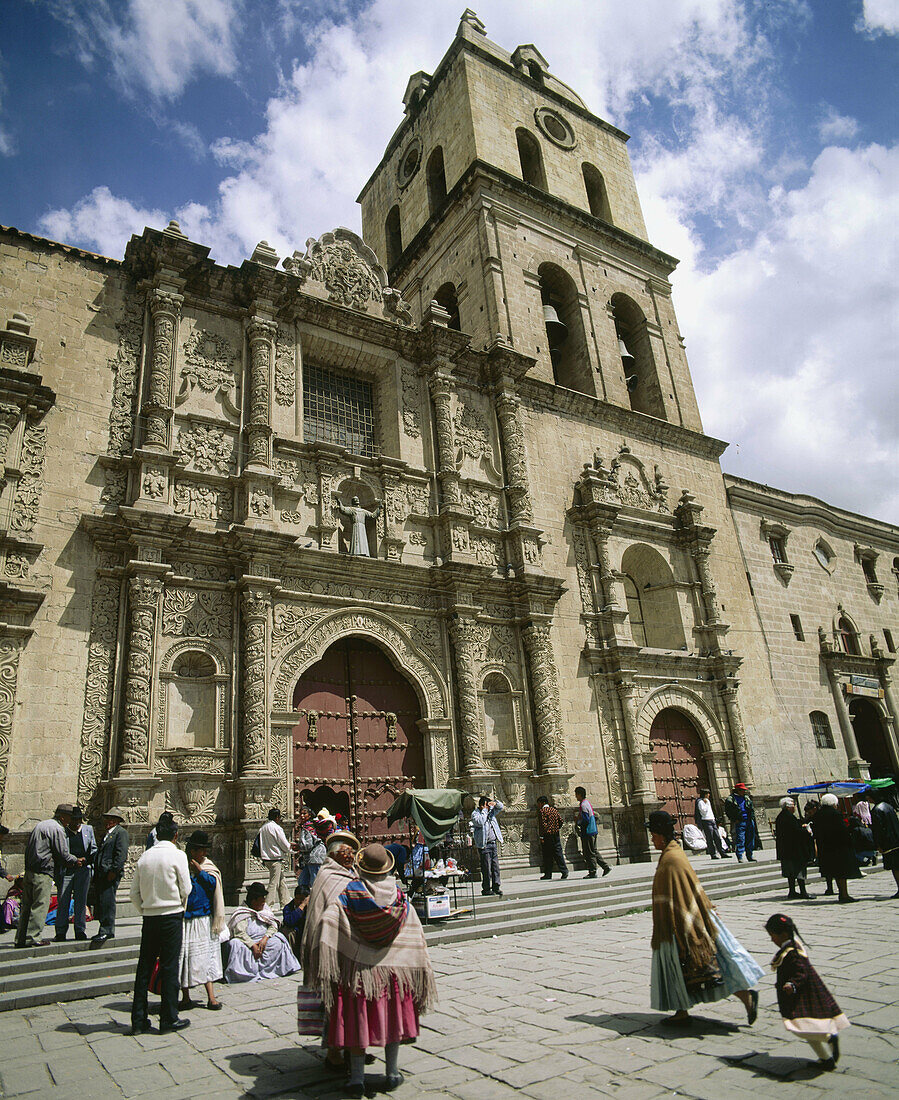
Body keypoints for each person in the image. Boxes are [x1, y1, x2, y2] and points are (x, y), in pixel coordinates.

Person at [309, 843, 437, 1097]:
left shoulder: (349, 896)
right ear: (386, 869)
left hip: (359, 974)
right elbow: (415, 934)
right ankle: (392, 1073)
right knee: (392, 1022)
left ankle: (356, 1079)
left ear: (362, 867)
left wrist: (335, 954)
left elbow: (328, 923)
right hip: (392, 974)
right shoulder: (400, 898)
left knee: (357, 1023)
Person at [648, 809, 763, 1027]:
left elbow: (684, 892)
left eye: (653, 835)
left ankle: (747, 997)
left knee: (713, 966)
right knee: (682, 966)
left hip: (686, 923)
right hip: (684, 920)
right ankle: (681, 1011)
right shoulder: (672, 853)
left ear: (661, 835)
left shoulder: (672, 858)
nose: (652, 840)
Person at [300, 830, 361, 1073]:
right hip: (332, 947)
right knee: (334, 1002)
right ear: (334, 854)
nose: (351, 857)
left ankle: (353, 1046)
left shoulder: (350, 873)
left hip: (351, 948)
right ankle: (335, 1050)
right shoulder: (327, 876)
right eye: (347, 853)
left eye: (353, 853)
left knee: (352, 1001)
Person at [129, 816, 191, 1035]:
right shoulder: (178, 855)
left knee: (144, 966)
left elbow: (133, 893)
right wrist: (177, 905)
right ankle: (168, 1018)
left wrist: (146, 909)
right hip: (171, 916)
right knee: (169, 966)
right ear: (175, 835)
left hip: (150, 917)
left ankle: (138, 1020)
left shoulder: (145, 857)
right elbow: (187, 887)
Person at [766, 913, 849, 1069]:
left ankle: (829, 1038)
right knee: (805, 1028)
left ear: (782, 934)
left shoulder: (792, 953)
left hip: (802, 996)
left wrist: (792, 984)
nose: (772, 940)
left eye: (772, 936)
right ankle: (825, 1059)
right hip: (799, 994)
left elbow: (801, 972)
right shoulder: (792, 946)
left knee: (802, 1027)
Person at [15, 804, 84, 948]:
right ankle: (33, 937)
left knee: (27, 905)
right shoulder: (57, 828)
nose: (70, 821)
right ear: (63, 817)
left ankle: (21, 938)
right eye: (69, 818)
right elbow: (62, 853)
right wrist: (75, 860)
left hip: (30, 871)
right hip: (43, 872)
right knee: (40, 905)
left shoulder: (41, 825)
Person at [178, 830, 224, 1012]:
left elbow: (214, 885)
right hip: (187, 917)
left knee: (206, 958)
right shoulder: (183, 865)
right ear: (192, 851)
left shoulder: (208, 867)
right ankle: (186, 996)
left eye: (203, 850)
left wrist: (200, 872)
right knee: (186, 958)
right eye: (199, 850)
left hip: (203, 917)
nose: (202, 854)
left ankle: (211, 997)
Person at [224, 882, 301, 983]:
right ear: (253, 901)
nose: (263, 903)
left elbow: (273, 925)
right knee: (235, 944)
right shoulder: (242, 913)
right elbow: (240, 933)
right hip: (248, 943)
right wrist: (253, 946)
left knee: (279, 939)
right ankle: (244, 974)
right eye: (261, 901)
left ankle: (272, 970)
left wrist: (265, 938)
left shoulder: (265, 910)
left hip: (263, 941)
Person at [54, 805, 96, 941]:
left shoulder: (88, 830)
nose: (77, 822)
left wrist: (85, 861)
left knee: (81, 900)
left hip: (83, 870)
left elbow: (93, 849)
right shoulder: (63, 831)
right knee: (63, 900)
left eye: (79, 820)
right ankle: (60, 931)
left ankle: (80, 930)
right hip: (67, 870)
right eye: (74, 820)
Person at [810, 794, 860, 903]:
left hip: (825, 848)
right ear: (833, 804)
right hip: (839, 848)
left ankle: (841, 893)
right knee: (841, 872)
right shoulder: (835, 814)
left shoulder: (817, 815)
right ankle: (844, 895)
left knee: (835, 872)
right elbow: (842, 831)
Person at [91, 806, 129, 947]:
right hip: (102, 873)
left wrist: (114, 871)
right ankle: (105, 928)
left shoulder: (120, 833)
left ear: (116, 821)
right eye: (107, 819)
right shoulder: (107, 834)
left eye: (111, 819)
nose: (108, 821)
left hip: (110, 874)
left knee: (108, 901)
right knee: (103, 901)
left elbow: (121, 854)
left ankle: (106, 929)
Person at [256, 807, 296, 909]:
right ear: (277, 817)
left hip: (266, 858)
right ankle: (268, 904)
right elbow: (283, 843)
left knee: (281, 880)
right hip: (275, 858)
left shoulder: (263, 828)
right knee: (273, 883)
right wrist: (292, 850)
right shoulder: (276, 828)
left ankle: (285, 901)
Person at [774, 797, 813, 899]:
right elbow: (795, 832)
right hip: (795, 850)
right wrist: (806, 831)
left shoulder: (780, 817)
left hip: (786, 850)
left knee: (790, 873)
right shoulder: (789, 817)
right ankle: (803, 892)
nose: (795, 808)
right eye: (793, 806)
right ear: (788, 807)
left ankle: (792, 891)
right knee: (799, 871)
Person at [470, 796, 504, 896]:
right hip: (484, 845)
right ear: (481, 805)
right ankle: (486, 888)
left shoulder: (491, 813)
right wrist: (484, 810)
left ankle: (496, 886)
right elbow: (480, 822)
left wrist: (494, 802)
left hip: (493, 843)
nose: (488, 808)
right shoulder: (476, 814)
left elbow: (500, 807)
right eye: (486, 805)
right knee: (486, 867)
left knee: (495, 867)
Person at [574, 786, 611, 878]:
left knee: (589, 852)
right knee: (593, 851)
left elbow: (586, 820)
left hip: (588, 831)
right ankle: (605, 867)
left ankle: (592, 871)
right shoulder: (587, 803)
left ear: (579, 794)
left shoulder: (583, 805)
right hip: (593, 830)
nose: (575, 796)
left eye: (576, 794)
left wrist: (578, 822)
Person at [723, 782, 761, 862]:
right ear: (738, 790)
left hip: (749, 821)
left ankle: (750, 855)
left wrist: (752, 817)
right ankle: (740, 856)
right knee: (740, 839)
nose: (744, 792)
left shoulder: (746, 798)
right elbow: (728, 811)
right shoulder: (731, 799)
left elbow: (751, 808)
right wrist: (734, 819)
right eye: (742, 790)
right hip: (740, 822)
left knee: (750, 838)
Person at [870, 796, 899, 898]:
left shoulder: (876, 810)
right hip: (896, 839)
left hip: (888, 842)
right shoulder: (889, 807)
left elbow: (878, 829)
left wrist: (878, 844)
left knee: (895, 866)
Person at [536, 796, 568, 880]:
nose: (538, 805)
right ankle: (564, 870)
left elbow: (542, 825)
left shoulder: (542, 811)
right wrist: (556, 828)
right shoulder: (554, 810)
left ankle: (548, 873)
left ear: (542, 803)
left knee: (547, 855)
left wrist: (541, 836)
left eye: (539, 803)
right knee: (558, 853)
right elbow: (560, 821)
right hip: (555, 834)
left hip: (547, 836)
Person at [694, 789, 730, 859]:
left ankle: (722, 852)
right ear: (705, 794)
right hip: (706, 821)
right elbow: (704, 811)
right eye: (708, 794)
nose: (709, 795)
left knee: (717, 837)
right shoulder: (700, 802)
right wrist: (706, 803)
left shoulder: (707, 801)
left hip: (712, 820)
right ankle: (713, 854)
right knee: (710, 838)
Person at [282, 883, 309, 957]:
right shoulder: (288, 907)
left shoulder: (312, 907)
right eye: (298, 899)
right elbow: (289, 921)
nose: (300, 902)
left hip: (307, 933)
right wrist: (301, 907)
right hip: (296, 934)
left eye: (302, 899)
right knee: (288, 933)